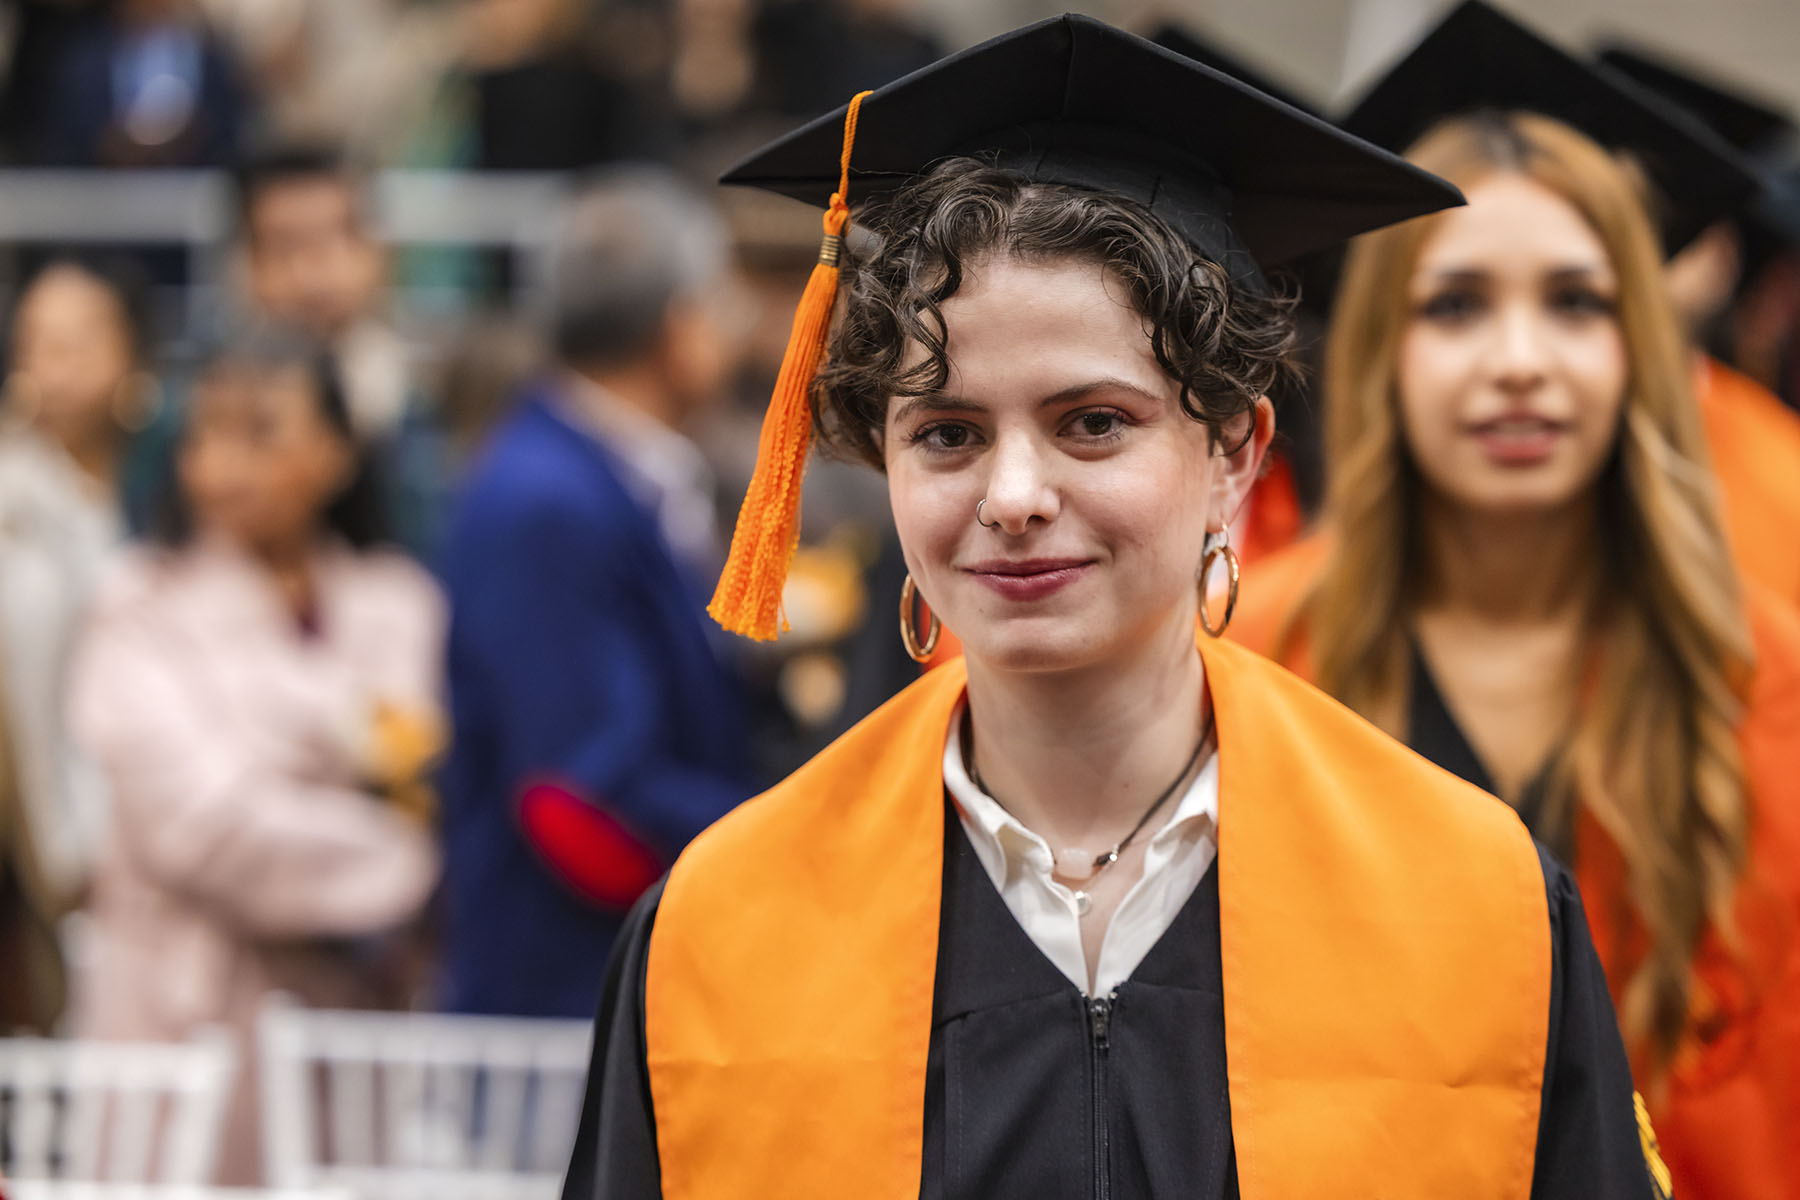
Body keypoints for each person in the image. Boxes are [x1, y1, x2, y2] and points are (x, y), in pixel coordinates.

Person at [562, 18, 1663, 1198]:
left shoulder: (1470, 901)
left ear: (1235, 452)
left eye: (1094, 421)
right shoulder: (725, 928)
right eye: (947, 434)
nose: (1016, 496)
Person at [1231, 5, 1800, 1196]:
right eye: (1456, 305)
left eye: (1577, 303)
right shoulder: (1243, 661)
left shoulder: (1767, 688)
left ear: (1639, 346)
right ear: (1382, 343)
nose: (1521, 359)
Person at [68, 329, 442, 1184]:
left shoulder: (399, 603)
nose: (223, 465)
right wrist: (409, 858)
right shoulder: (138, 600)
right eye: (204, 435)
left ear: (338, 452)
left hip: (352, 1021)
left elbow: (437, 777)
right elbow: (207, 826)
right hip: (181, 1018)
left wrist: (292, 766)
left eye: (261, 431)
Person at [439, 170, 757, 1021]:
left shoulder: (597, 472)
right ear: (680, 327)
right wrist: (797, 834)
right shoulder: (543, 500)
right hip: (567, 996)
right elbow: (583, 788)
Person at [0, 256, 163, 1029]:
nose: (53, 368)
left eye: (78, 342)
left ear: (133, 354)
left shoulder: (170, 489)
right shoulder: (14, 505)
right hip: (46, 841)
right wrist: (60, 854)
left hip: (153, 825)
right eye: (37, 344)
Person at [235, 144, 447, 556]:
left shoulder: (426, 406)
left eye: (338, 238)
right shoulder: (205, 417)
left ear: (379, 251)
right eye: (285, 246)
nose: (314, 274)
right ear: (248, 263)